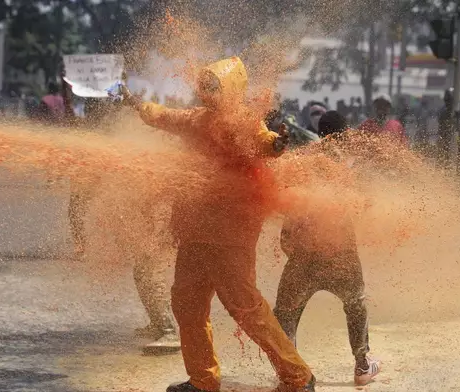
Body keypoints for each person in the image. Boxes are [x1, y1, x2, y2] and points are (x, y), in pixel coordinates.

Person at [121, 56, 316, 392]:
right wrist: (138, 104)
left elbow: (263, 141)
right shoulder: (196, 119)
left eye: (214, 86)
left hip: (230, 236)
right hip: (194, 233)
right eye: (205, 85)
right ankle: (202, 381)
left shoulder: (242, 122)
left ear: (230, 89)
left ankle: (298, 376)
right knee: (187, 304)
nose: (207, 92)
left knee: (247, 310)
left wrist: (277, 144)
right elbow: (164, 116)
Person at [60, 74, 181, 354]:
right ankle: (158, 323)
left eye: (97, 106)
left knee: (148, 270)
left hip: (152, 215)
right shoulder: (113, 134)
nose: (94, 110)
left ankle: (168, 331)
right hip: (144, 214)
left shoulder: (134, 131)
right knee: (142, 271)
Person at [274, 110, 380, 387]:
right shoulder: (348, 166)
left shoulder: (305, 160)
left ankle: (292, 371)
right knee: (355, 305)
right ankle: (362, 365)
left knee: (285, 311)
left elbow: (293, 203)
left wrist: (289, 240)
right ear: (345, 134)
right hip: (341, 253)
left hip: (304, 254)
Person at [436, 88, 460, 170]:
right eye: (447, 99)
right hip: (445, 137)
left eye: (449, 99)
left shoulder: (459, 109)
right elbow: (442, 124)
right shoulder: (444, 111)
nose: (448, 101)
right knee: (443, 157)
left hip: (457, 137)